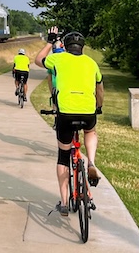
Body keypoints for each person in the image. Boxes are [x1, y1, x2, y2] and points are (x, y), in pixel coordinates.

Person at [35, 28, 104, 217]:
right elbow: (100, 90)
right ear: (83, 47)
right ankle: (91, 162)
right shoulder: (92, 64)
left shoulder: (57, 59)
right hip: (88, 112)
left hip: (65, 113)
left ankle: (64, 203)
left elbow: (37, 60)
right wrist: (98, 106)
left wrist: (50, 42)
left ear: (64, 46)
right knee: (90, 132)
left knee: (63, 157)